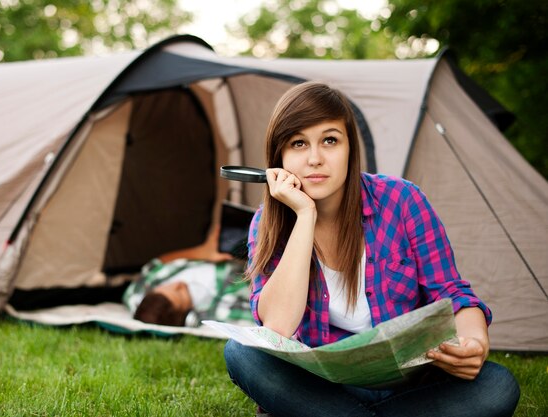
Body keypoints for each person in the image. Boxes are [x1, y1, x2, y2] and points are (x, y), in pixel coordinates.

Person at [223, 81, 520, 417]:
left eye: (330, 140)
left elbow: (452, 293)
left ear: (350, 148)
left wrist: (474, 342)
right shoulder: (268, 222)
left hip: (410, 380)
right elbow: (276, 326)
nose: (315, 158)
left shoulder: (403, 201)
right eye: (299, 143)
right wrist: (304, 214)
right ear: (279, 157)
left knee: (497, 386)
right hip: (323, 384)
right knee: (242, 353)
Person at [123, 227, 254, 327]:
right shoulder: (222, 309)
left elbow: (155, 264)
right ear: (188, 314)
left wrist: (202, 252)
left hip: (220, 241)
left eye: (167, 286)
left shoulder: (137, 295)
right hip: (248, 253)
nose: (179, 284)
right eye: (179, 293)